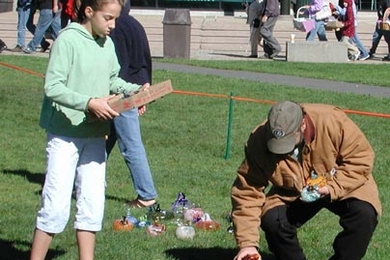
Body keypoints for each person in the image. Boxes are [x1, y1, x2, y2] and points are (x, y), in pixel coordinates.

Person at [29, 0, 143, 259]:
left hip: (95, 135)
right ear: (89, 12)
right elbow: (53, 87)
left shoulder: (107, 43)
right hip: (65, 135)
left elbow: (113, 79)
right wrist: (88, 103)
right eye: (108, 18)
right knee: (56, 205)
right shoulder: (67, 40)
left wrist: (135, 92)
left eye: (115, 19)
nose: (113, 25)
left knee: (92, 205)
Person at [231, 101, 381, 260]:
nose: (282, 149)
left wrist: (331, 188)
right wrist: (247, 245)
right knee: (273, 220)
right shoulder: (259, 140)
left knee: (364, 215)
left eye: (287, 142)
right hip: (293, 190)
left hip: (341, 180)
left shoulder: (332, 121)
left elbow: (360, 160)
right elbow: (247, 191)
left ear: (302, 125)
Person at [106, 0, 158, 208]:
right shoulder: (136, 24)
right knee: (101, 142)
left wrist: (129, 96)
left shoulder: (116, 27)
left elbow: (119, 67)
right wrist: (144, 91)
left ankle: (146, 194)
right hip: (133, 90)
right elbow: (145, 61)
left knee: (130, 145)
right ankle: (86, 183)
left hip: (120, 94)